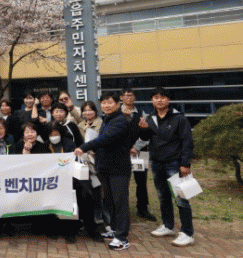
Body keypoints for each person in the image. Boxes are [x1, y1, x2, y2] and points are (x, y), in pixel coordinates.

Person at [75, 92, 132, 251]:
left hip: (118, 169)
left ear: (118, 104)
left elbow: (106, 139)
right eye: (104, 103)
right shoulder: (108, 119)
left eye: (110, 102)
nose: (106, 105)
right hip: (105, 167)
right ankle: (114, 229)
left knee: (120, 202)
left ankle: (122, 238)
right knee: (110, 200)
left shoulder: (120, 120)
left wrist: (84, 147)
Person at [139, 87, 195, 247]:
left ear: (168, 100)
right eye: (156, 97)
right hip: (157, 163)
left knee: (181, 198)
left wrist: (185, 163)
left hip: (174, 163)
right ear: (152, 101)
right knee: (163, 196)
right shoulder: (150, 118)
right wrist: (143, 129)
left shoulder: (179, 118)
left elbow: (187, 142)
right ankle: (168, 226)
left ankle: (187, 233)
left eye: (162, 97)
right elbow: (146, 138)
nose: (159, 100)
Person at [120, 88, 156, 221]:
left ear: (135, 98)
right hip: (121, 153)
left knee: (141, 181)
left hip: (140, 153)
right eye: (126, 95)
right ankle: (123, 209)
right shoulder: (117, 113)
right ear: (121, 98)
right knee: (122, 181)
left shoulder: (142, 113)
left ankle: (142, 209)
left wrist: (136, 147)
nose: (129, 97)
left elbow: (147, 133)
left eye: (131, 95)